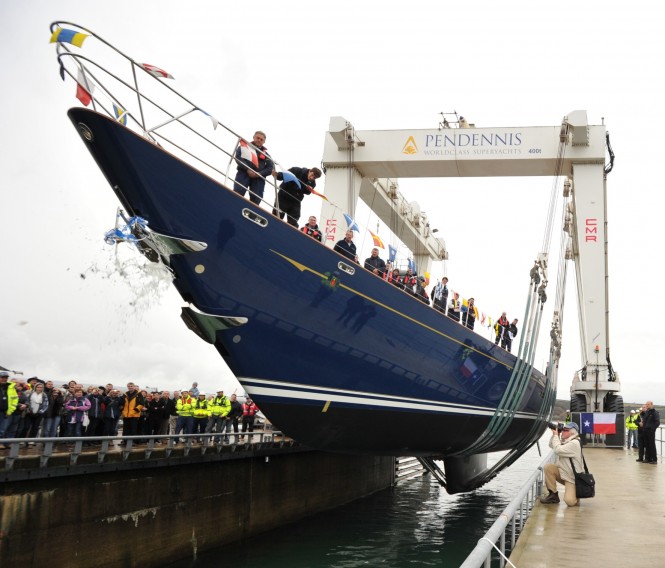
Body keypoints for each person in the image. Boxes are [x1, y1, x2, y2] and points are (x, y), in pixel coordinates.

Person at [540, 421, 583, 507]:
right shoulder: (567, 441)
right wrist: (556, 435)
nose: (563, 431)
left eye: (565, 430)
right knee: (548, 467)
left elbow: (558, 450)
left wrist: (556, 436)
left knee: (570, 501)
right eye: (563, 430)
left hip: (572, 478)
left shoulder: (574, 443)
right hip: (564, 474)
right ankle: (553, 495)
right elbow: (551, 445)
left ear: (572, 432)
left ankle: (576, 493)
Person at [233, 131, 273, 206]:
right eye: (258, 138)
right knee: (237, 193)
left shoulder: (267, 156)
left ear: (264, 142)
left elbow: (270, 169)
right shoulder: (244, 146)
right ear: (253, 137)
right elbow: (238, 157)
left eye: (261, 139)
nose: (259, 140)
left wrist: (258, 174)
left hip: (258, 178)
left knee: (256, 200)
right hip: (244, 172)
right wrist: (247, 169)